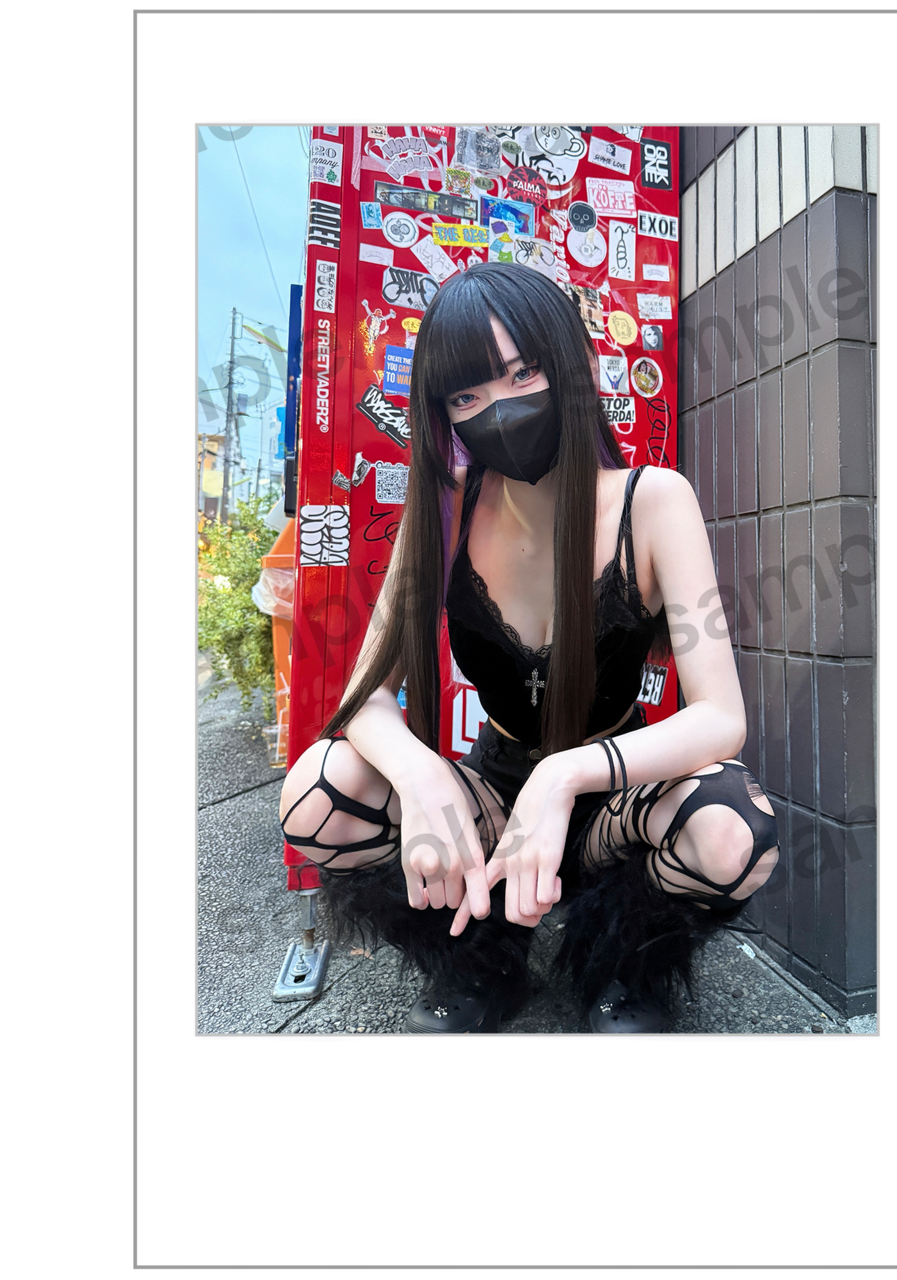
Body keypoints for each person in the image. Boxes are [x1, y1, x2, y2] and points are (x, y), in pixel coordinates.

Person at [279, 262, 778, 1032]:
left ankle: (626, 971)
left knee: (733, 824)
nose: (500, 410)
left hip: (619, 796)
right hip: (493, 790)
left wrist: (564, 775)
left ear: (569, 367)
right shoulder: (445, 510)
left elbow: (721, 717)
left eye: (523, 373)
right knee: (317, 794)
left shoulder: (654, 500)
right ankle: (479, 964)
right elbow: (366, 695)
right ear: (443, 411)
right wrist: (420, 775)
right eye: (466, 396)